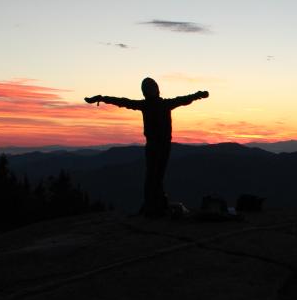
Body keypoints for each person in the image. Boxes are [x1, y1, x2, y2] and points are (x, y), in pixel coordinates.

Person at [85, 78, 209, 217]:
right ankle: (155, 206)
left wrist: (102, 98)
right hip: (160, 146)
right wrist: (198, 95)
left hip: (157, 146)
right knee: (154, 176)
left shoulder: (151, 105)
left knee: (154, 176)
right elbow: (184, 99)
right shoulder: (162, 104)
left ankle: (156, 204)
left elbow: (122, 101)